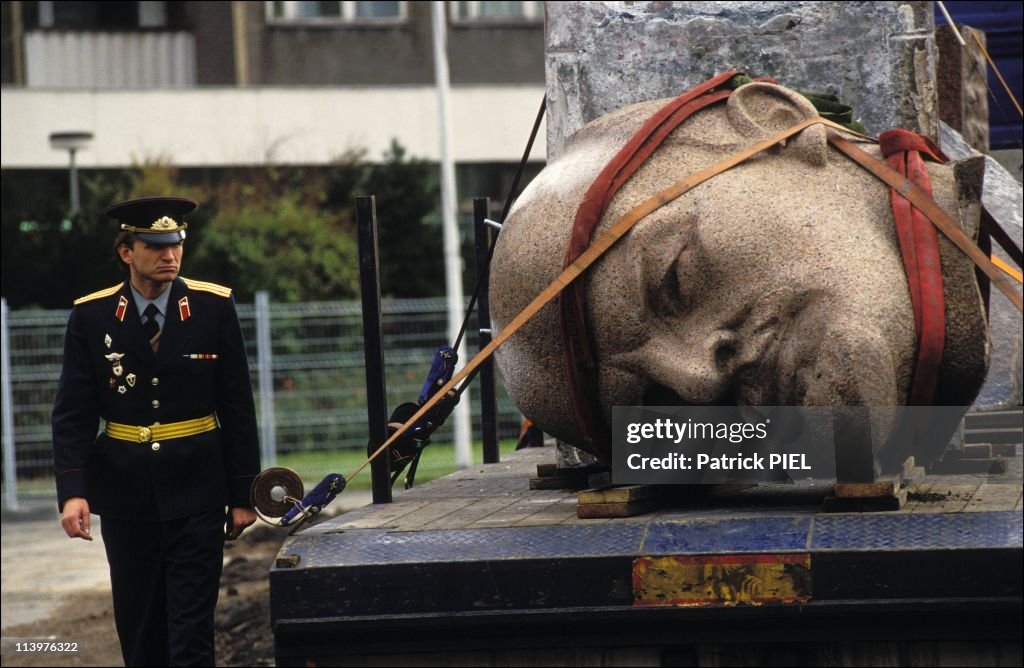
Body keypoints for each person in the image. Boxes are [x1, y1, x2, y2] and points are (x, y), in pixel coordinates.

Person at [52, 196, 261, 667]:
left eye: (177, 245)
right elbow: (74, 412)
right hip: (126, 494)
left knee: (190, 634)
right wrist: (73, 491)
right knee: (141, 629)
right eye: (156, 246)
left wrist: (244, 491)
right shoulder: (92, 316)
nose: (170, 256)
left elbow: (237, 404)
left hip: (198, 489)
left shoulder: (212, 307)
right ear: (127, 252)